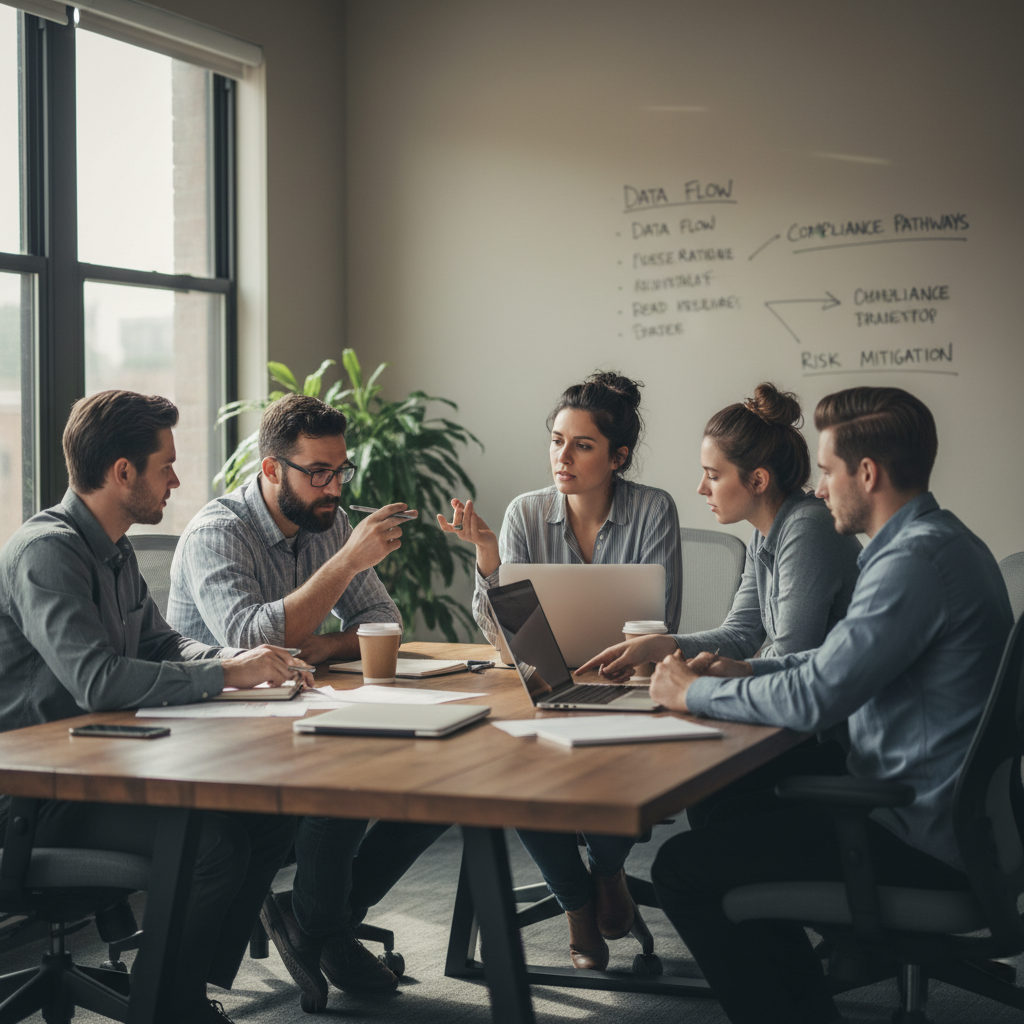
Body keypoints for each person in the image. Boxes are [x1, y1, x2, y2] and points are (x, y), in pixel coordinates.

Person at [646, 386, 1013, 1024]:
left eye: (824, 469)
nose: (815, 487)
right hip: (958, 820)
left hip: (919, 835)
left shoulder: (912, 564)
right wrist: (746, 667)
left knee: (682, 867)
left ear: (865, 474)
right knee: (726, 805)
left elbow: (816, 697)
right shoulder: (937, 542)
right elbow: (827, 662)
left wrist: (695, 691)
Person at [0, 390, 304, 1024]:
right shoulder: (46, 552)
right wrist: (224, 671)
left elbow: (163, 642)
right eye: (165, 464)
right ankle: (166, 1006)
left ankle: (176, 990)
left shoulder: (114, 549)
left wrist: (245, 668)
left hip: (99, 769)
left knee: (268, 818)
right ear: (122, 472)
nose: (176, 478)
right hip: (34, 798)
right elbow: (99, 682)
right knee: (213, 843)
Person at [535, 382, 862, 969]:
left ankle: (781, 939)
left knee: (710, 791)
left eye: (712, 475)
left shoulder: (806, 527)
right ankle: (767, 935)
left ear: (756, 481)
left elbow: (795, 649)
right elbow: (740, 632)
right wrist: (665, 644)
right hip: (810, 722)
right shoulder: (769, 532)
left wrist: (708, 682)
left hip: (836, 739)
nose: (700, 488)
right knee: (708, 789)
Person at [169, 393, 447, 1007]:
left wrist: (315, 648)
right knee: (341, 778)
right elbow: (250, 639)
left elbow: (383, 619)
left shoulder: (328, 522)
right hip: (215, 731)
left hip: (296, 709)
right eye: (317, 472)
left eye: (340, 470)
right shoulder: (218, 533)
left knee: (443, 784)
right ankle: (327, 929)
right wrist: (343, 566)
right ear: (271, 470)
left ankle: (319, 915)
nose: (333, 488)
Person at [438, 369, 682, 970]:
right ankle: (577, 900)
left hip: (626, 683)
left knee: (619, 759)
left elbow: (659, 622)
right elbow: (499, 635)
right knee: (512, 765)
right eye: (556, 440)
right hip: (541, 683)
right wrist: (490, 559)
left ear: (618, 455)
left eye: (582, 444)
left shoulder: (653, 510)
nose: (562, 457)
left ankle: (603, 871)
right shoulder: (525, 513)